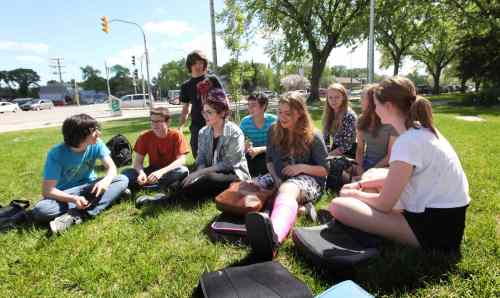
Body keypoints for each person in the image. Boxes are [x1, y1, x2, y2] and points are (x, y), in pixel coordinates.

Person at [329, 77, 470, 253]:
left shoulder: (407, 142)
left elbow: (384, 204)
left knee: (338, 205)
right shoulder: (422, 130)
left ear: (388, 106)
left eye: (376, 104)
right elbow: (397, 177)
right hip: (446, 222)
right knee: (371, 176)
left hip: (432, 232)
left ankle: (364, 228)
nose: (374, 109)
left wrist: (355, 194)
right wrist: (362, 184)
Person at [245, 91, 329, 260]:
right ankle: (301, 209)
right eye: (280, 112)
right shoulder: (274, 131)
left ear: (300, 113)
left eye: (288, 113)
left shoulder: (313, 135)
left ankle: (273, 236)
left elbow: (325, 170)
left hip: (309, 180)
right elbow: (269, 161)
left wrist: (300, 167)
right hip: (280, 176)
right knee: (249, 186)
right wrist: (275, 179)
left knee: (287, 189)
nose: (282, 117)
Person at [139, 88, 250, 206]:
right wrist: (199, 172)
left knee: (206, 180)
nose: (205, 116)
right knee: (188, 178)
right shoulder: (203, 132)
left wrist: (201, 173)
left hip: (234, 176)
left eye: (209, 112)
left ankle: (164, 202)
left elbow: (229, 164)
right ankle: (174, 194)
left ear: (222, 113)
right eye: (204, 112)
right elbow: (200, 158)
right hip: (209, 172)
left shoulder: (234, 133)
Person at [31, 114, 129, 234]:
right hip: (66, 194)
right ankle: (109, 197)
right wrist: (73, 199)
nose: (99, 134)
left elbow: (112, 168)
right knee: (41, 210)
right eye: (94, 131)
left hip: (90, 187)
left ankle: (77, 215)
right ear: (79, 135)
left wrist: (106, 181)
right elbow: (48, 191)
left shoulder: (97, 144)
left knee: (122, 179)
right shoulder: (56, 154)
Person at [122, 107, 190, 207]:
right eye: (152, 121)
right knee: (126, 173)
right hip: (151, 172)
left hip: (169, 171)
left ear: (168, 122)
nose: (154, 125)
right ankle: (157, 186)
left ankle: (141, 187)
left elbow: (181, 160)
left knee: (183, 170)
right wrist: (141, 173)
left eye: (158, 121)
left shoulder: (176, 135)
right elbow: (137, 162)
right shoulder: (144, 136)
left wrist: (161, 172)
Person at [179, 50, 223, 158]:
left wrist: (224, 117)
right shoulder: (186, 86)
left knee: (218, 152)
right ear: (190, 65)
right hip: (197, 124)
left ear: (205, 64)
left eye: (201, 62)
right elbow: (186, 108)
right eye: (195, 63)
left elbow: (223, 100)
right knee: (197, 153)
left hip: (215, 121)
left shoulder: (212, 80)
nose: (198, 65)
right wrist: (181, 126)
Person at [355, 84, 398, 176]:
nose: (360, 100)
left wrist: (370, 172)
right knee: (337, 169)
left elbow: (390, 156)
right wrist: (359, 168)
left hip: (384, 167)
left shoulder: (389, 122)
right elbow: (360, 149)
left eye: (363, 97)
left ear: (372, 100)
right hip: (365, 163)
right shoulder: (361, 120)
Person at [239, 92, 277, 177]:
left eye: (253, 105)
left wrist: (260, 149)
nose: (250, 108)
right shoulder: (245, 122)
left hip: (269, 154)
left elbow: (279, 145)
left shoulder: (273, 121)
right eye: (248, 105)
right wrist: (244, 146)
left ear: (263, 106)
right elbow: (239, 142)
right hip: (252, 155)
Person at [322, 83, 357, 157]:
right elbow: (325, 138)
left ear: (343, 97)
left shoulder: (349, 116)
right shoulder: (329, 114)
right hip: (335, 149)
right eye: (330, 97)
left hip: (349, 152)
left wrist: (328, 155)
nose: (333, 100)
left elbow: (347, 144)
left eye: (337, 97)